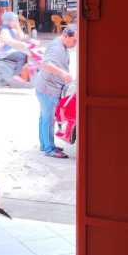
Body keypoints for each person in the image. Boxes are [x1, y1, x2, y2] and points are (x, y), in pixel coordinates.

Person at [36, 25, 77, 158]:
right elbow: (46, 64)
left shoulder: (61, 46)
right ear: (66, 36)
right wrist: (63, 74)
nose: (75, 44)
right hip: (48, 89)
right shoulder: (56, 48)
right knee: (48, 119)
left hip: (46, 87)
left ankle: (45, 144)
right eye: (74, 40)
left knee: (44, 117)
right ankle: (50, 149)